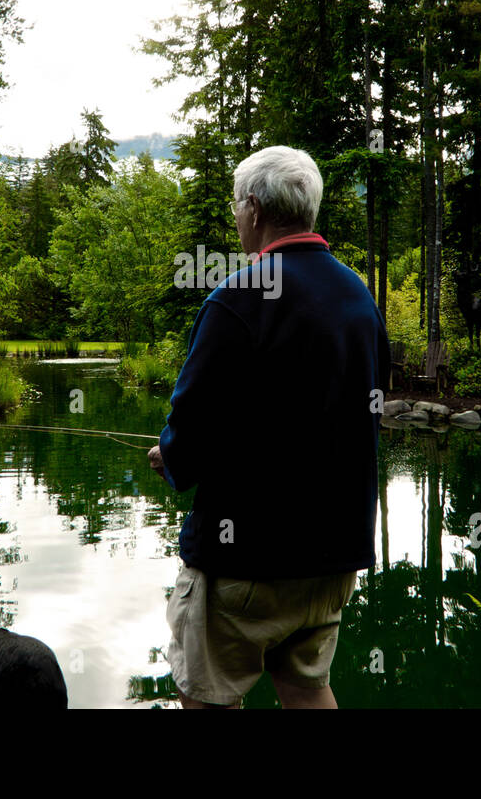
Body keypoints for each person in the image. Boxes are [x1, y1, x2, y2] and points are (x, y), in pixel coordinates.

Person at [147, 145, 390, 709]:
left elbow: (192, 422)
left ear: (254, 208)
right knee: (307, 687)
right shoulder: (358, 297)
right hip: (333, 555)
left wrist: (171, 457)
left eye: (237, 206)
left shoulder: (235, 300)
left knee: (207, 694)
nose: (236, 217)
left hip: (247, 558)